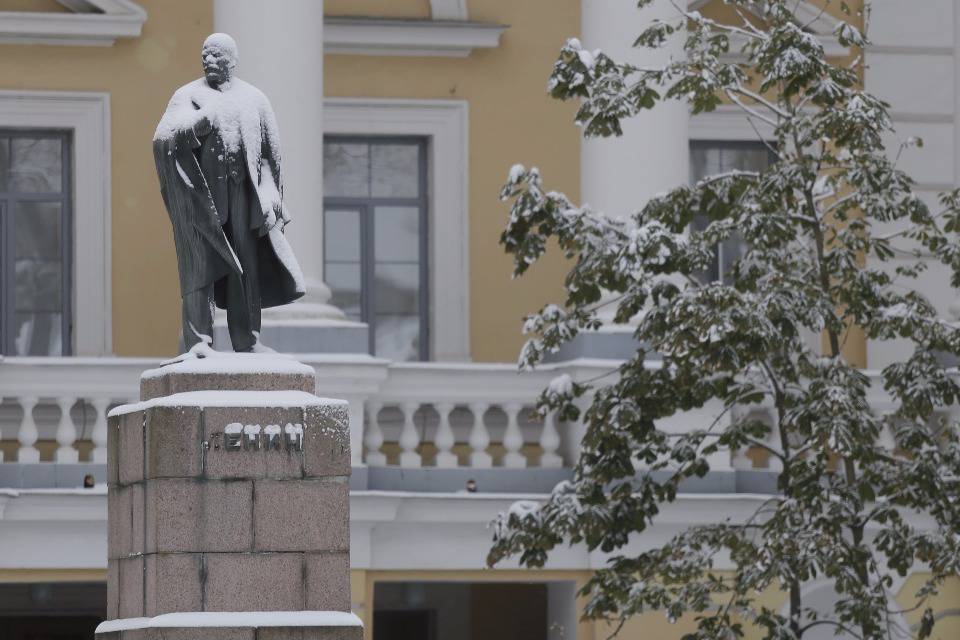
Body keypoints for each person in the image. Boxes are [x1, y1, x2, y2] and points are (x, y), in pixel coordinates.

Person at [153, 33, 304, 352]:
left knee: (246, 267)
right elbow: (163, 141)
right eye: (205, 55)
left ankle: (247, 339)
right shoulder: (187, 96)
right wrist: (196, 125)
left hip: (243, 197)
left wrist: (271, 195)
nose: (209, 61)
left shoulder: (255, 100)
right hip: (202, 199)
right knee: (199, 270)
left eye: (217, 56)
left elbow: (271, 153)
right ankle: (198, 342)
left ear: (233, 62)